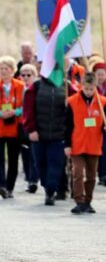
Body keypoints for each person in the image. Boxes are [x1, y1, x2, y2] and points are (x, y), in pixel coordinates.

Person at [23, 63, 76, 206]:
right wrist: (31, 129)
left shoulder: (66, 87)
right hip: (38, 135)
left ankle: (51, 191)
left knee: (55, 164)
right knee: (40, 164)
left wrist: (70, 103)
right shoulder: (35, 87)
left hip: (59, 135)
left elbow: (79, 101)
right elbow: (27, 111)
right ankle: (47, 187)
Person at [65, 73, 106, 214]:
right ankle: (79, 200)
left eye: (91, 89)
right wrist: (67, 145)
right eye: (86, 89)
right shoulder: (72, 101)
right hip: (77, 144)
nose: (89, 92)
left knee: (91, 176)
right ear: (81, 86)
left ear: (95, 87)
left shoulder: (102, 101)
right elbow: (67, 125)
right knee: (77, 172)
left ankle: (88, 201)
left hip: (94, 144)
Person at [0, 56, 25, 198]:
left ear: (12, 70)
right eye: (1, 69)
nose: (3, 71)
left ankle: (9, 188)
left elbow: (25, 106)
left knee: (13, 159)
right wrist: (1, 113)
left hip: (15, 127)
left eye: (6, 69)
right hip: (0, 126)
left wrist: (14, 112)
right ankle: (1, 185)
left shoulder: (20, 86)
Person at [92, 62, 106, 187]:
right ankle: (100, 174)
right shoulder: (92, 87)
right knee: (98, 148)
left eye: (102, 74)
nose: (100, 77)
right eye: (98, 74)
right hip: (95, 122)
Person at [17, 64, 39, 193]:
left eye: (28, 75)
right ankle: (28, 176)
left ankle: (33, 180)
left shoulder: (37, 88)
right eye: (23, 75)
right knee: (24, 153)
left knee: (33, 153)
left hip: (33, 124)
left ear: (34, 76)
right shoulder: (18, 88)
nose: (25, 77)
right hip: (20, 125)